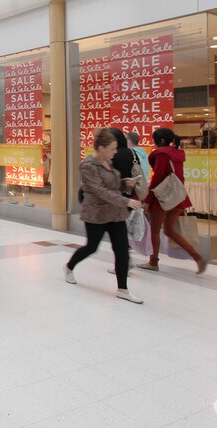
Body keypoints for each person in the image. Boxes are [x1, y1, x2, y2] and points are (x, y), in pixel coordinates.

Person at [64, 128, 145, 304]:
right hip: (96, 213)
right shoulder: (88, 166)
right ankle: (69, 267)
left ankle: (123, 289)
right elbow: (99, 190)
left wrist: (126, 184)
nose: (116, 152)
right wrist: (126, 201)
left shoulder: (110, 163)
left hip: (115, 214)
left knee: (122, 249)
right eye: (112, 149)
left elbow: (112, 186)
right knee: (91, 247)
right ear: (101, 148)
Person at [138, 128, 207, 274]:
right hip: (177, 197)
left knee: (154, 230)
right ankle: (197, 257)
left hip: (162, 198)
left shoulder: (162, 154)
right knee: (169, 230)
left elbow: (157, 179)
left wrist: (148, 200)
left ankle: (153, 262)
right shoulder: (178, 154)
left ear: (161, 140)